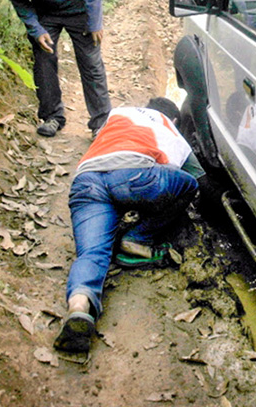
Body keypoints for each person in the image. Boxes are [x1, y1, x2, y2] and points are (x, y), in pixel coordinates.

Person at [53, 98, 202, 352]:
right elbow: (198, 176)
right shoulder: (170, 126)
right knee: (189, 185)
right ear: (174, 119)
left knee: (91, 253)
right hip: (135, 176)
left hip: (87, 180)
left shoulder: (118, 114)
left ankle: (79, 308)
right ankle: (138, 239)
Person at [0, 0, 112, 138]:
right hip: (46, 14)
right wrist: (36, 29)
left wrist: (95, 22)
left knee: (90, 62)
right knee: (43, 61)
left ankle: (101, 122)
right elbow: (19, 1)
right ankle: (52, 117)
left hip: (79, 10)